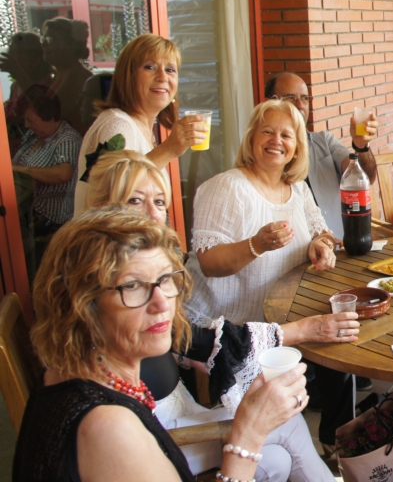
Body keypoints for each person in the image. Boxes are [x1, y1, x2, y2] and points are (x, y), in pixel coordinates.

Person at [86, 149, 353, 480]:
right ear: (103, 206)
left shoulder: (135, 274)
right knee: (286, 425)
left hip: (172, 415)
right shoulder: (102, 291)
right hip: (152, 437)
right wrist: (301, 331)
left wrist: (217, 359)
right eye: (135, 201)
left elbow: (185, 342)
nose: (153, 214)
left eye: (159, 202)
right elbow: (191, 338)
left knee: (277, 460)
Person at [13, 209, 309, 482]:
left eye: (165, 279)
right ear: (81, 305)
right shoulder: (109, 428)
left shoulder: (74, 372)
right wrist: (248, 435)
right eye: (132, 286)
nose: (162, 304)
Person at [184, 99, 353, 451]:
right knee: (329, 334)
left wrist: (319, 246)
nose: (277, 141)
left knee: (342, 336)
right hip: (230, 324)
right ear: (252, 138)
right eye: (267, 132)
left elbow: (321, 233)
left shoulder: (298, 188)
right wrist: (256, 245)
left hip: (283, 313)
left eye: (286, 135)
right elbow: (210, 263)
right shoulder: (227, 187)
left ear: (297, 147)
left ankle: (336, 442)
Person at [74, 33, 208, 217]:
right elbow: (110, 197)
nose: (162, 77)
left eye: (170, 70)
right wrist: (169, 149)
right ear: (127, 77)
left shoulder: (141, 128)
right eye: (150, 67)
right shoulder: (117, 124)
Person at [264, 71, 378, 239]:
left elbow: (366, 178)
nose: (299, 105)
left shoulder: (325, 141)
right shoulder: (266, 152)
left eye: (304, 98)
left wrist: (361, 147)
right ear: (270, 103)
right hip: (292, 249)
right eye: (290, 98)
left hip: (338, 246)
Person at [12, 85, 82, 237]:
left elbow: (64, 173)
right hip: (23, 204)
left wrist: (19, 169)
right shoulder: (34, 134)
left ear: (49, 117)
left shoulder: (67, 139)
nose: (26, 125)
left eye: (31, 120)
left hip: (45, 217)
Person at [39, 17, 94, 136]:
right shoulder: (61, 72)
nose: (43, 44)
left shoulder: (76, 75)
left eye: (50, 40)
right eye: (43, 39)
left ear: (70, 46)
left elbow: (48, 117)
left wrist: (19, 74)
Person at [2, 31, 54, 153]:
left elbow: (45, 111)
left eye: (17, 52)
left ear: (35, 58)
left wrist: (18, 73)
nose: (12, 57)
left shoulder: (46, 84)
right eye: (11, 51)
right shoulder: (15, 86)